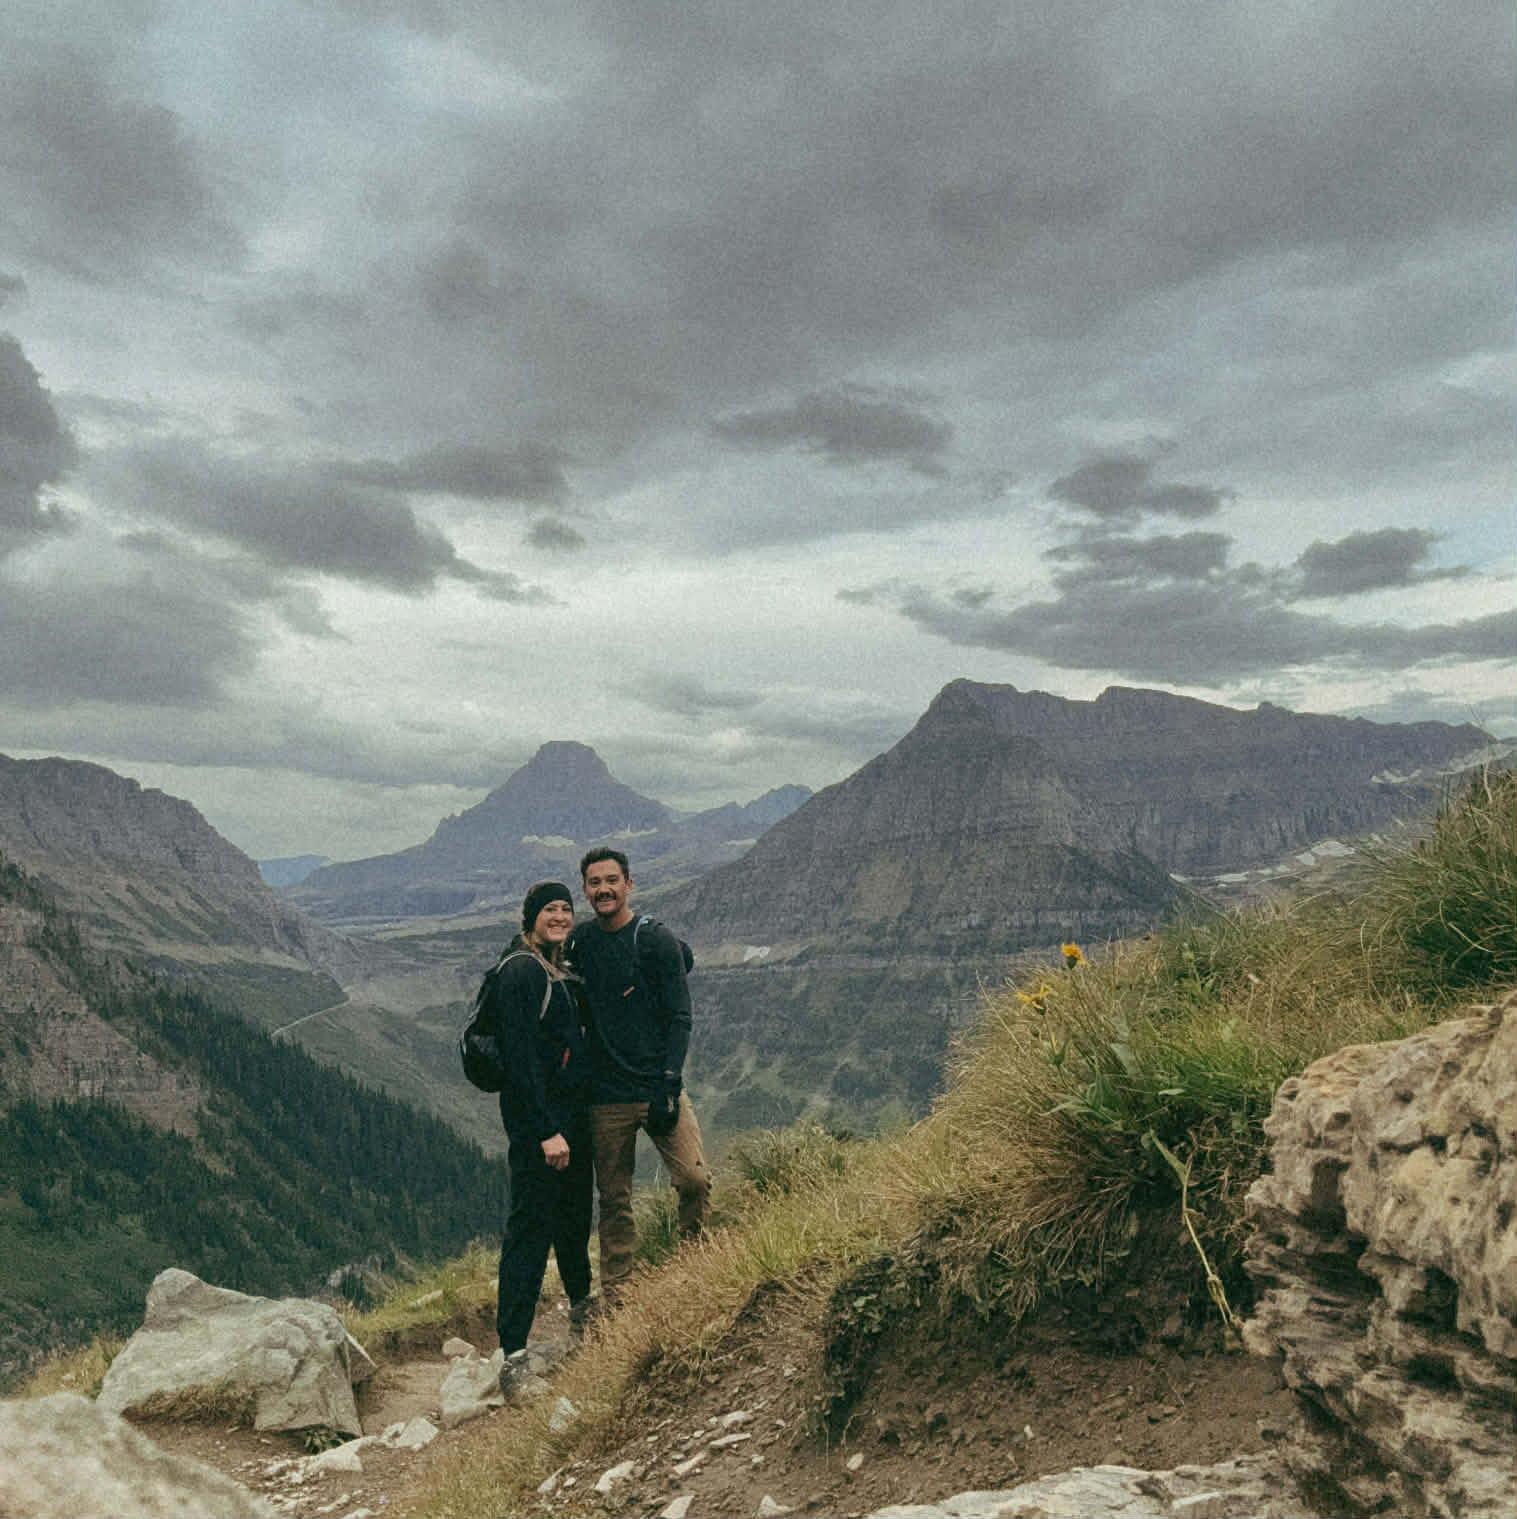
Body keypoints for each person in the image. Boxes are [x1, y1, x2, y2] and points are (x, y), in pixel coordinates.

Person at [567, 847, 711, 1306]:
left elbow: (680, 1017)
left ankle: (694, 1267)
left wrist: (669, 1083)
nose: (603, 889)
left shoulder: (654, 941)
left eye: (612, 880)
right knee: (613, 1201)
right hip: (605, 1096)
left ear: (629, 884)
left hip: (656, 1087)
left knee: (693, 1179)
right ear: (585, 890)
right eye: (594, 883)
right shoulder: (581, 943)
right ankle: (619, 1297)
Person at [473, 880, 596, 1396]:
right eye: (550, 909)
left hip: (569, 1123)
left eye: (567, 908)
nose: (561, 916)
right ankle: (515, 1356)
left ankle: (583, 1317)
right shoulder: (522, 972)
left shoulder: (558, 968)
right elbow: (521, 1059)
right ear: (530, 919)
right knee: (529, 1233)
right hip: (539, 1130)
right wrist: (545, 1130)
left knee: (572, 1223)